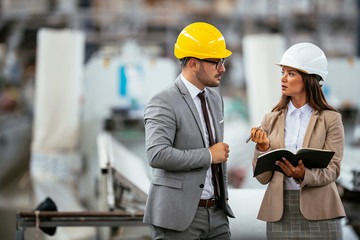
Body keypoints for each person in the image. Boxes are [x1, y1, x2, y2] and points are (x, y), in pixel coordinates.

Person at [143, 22, 234, 240]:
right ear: (193, 64)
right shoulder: (163, 101)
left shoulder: (214, 98)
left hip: (217, 215)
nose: (222, 68)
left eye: (223, 61)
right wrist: (209, 155)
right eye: (216, 62)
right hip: (178, 218)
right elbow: (157, 154)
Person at [250, 42, 345, 239]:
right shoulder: (270, 119)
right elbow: (261, 178)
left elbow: (333, 170)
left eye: (291, 73)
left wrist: (304, 175)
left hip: (321, 211)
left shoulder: (331, 119)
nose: (283, 79)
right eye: (283, 72)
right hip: (280, 211)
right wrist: (263, 149)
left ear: (309, 79)